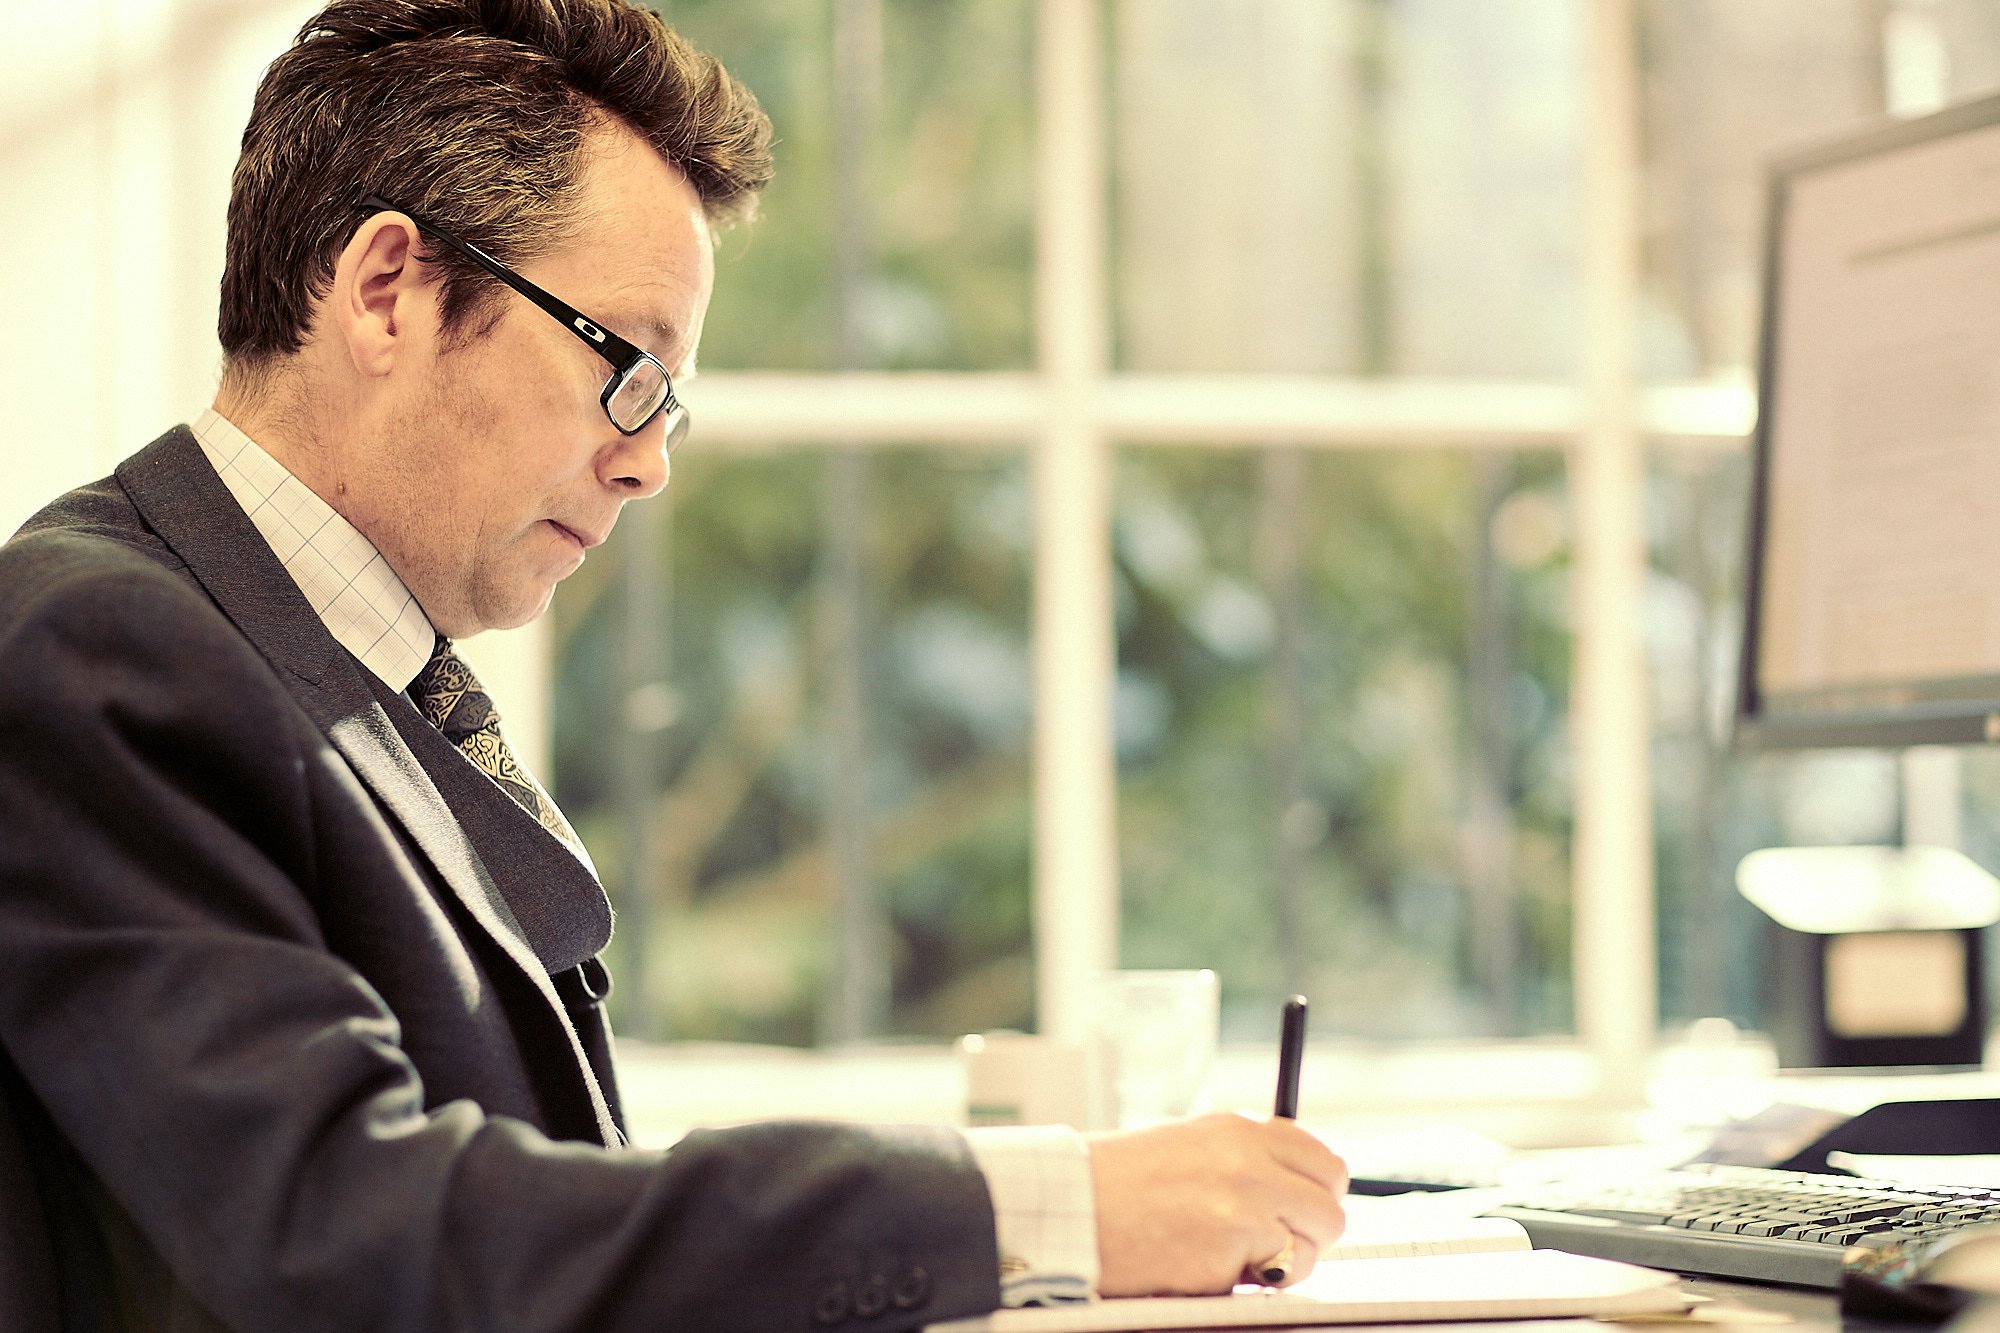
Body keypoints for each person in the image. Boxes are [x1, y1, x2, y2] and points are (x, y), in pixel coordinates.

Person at [0, 1, 1348, 1329]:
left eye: (670, 400)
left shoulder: (321, 659)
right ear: (388, 290)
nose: (647, 461)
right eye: (626, 368)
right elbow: (353, 1235)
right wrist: (1055, 1211)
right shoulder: (102, 653)